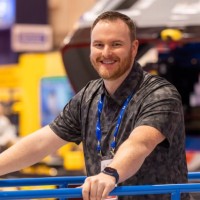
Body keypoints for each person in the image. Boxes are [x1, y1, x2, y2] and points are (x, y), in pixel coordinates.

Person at [0, 11, 189, 200]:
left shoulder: (160, 94)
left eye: (116, 44)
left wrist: (111, 173)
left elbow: (140, 143)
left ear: (133, 48)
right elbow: (42, 142)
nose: (106, 53)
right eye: (99, 45)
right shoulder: (87, 96)